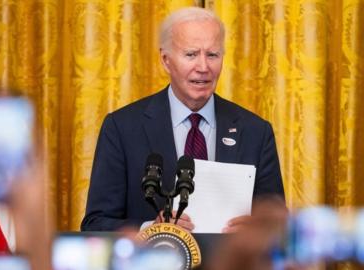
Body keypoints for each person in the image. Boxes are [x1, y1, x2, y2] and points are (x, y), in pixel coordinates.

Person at [81, 7, 285, 232]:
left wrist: (259, 231)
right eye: (191, 55)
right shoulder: (122, 128)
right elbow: (95, 225)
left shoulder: (256, 132)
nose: (203, 67)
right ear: (166, 60)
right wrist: (151, 229)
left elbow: (279, 228)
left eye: (212, 55)